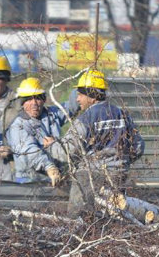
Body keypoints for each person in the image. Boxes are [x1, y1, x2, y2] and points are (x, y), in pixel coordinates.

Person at [43, 69, 144, 217]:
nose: (77, 100)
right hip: (118, 176)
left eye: (80, 95)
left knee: (78, 219)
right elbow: (138, 147)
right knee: (113, 218)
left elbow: (67, 152)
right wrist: (122, 161)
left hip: (89, 177)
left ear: (91, 96)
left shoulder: (86, 118)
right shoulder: (122, 114)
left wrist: (51, 146)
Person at [6, 77, 79, 186]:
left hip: (55, 179)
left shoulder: (51, 115)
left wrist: (82, 88)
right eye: (29, 99)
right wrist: (49, 167)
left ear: (44, 100)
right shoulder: (17, 126)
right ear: (22, 103)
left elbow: (72, 107)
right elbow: (29, 151)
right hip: (29, 182)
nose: (34, 103)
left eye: (38, 98)